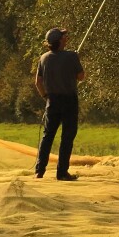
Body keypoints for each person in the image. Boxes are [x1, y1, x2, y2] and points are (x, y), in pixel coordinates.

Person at [34, 27, 85, 180]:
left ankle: (39, 171)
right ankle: (62, 173)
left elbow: (38, 82)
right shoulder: (72, 56)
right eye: (64, 36)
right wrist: (75, 61)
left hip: (52, 101)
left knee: (48, 136)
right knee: (67, 137)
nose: (66, 38)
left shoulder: (43, 58)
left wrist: (45, 96)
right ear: (60, 40)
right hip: (69, 101)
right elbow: (81, 77)